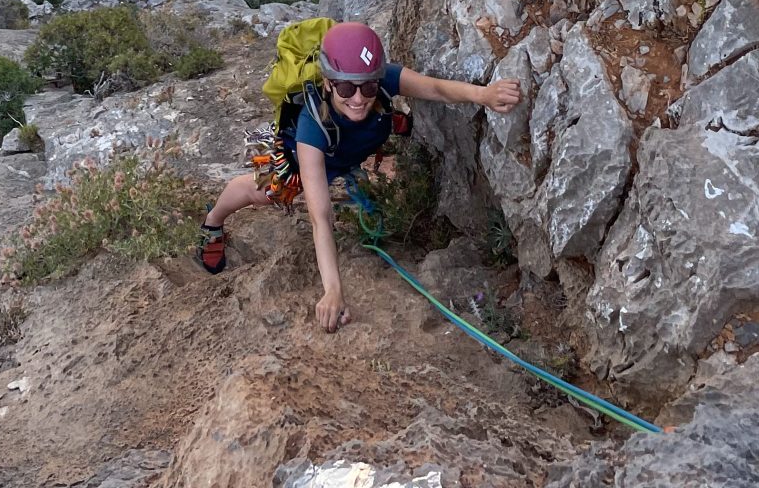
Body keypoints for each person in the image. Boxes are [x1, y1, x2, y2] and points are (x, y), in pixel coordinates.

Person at [195, 20, 522, 333]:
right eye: (346, 87)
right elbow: (321, 218)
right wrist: (333, 290)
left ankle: (383, 125)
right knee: (265, 193)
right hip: (309, 156)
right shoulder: (312, 129)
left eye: (368, 86)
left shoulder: (383, 79)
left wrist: (485, 95)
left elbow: (434, 88)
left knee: (369, 122)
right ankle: (213, 220)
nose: (358, 96)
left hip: (349, 146)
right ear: (327, 83)